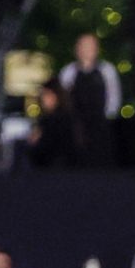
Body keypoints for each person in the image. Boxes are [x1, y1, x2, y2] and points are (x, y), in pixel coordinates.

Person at [56, 32, 121, 167]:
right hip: (76, 128)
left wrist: (108, 118)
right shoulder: (68, 72)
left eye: (90, 46)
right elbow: (63, 100)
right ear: (76, 49)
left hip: (101, 126)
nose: (86, 49)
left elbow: (114, 96)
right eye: (83, 46)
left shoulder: (107, 70)